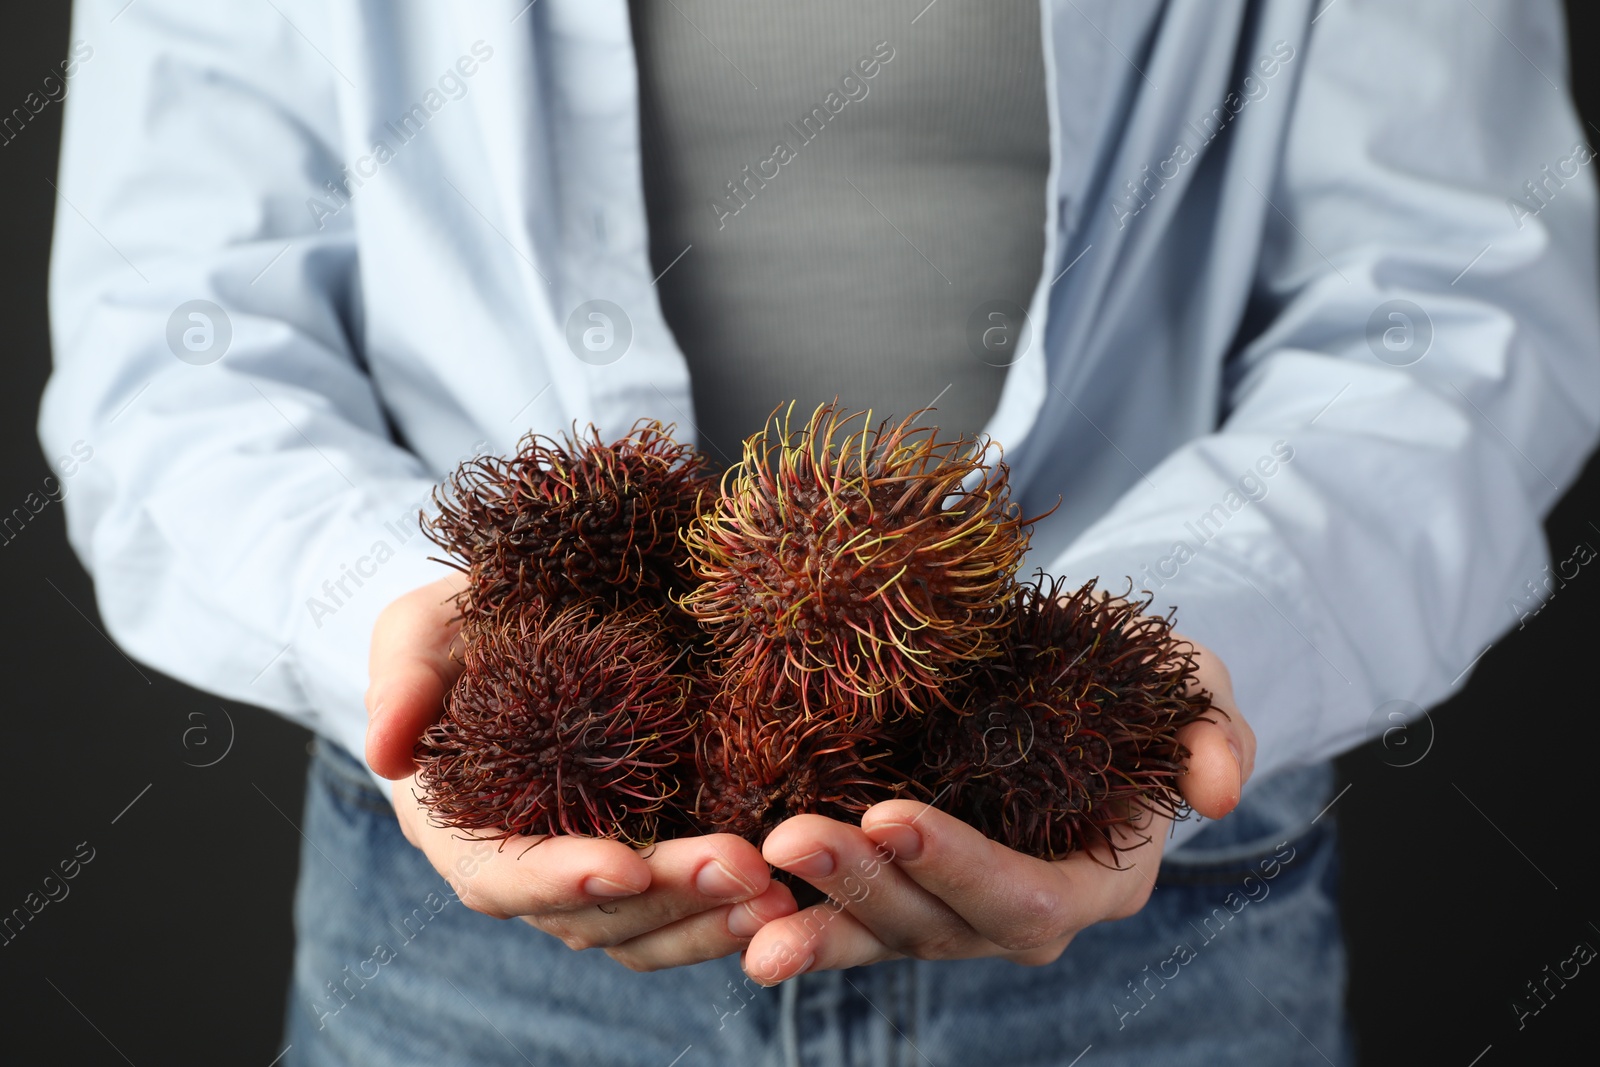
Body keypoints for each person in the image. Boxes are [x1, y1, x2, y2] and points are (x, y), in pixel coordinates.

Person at [39, 1, 1599, 1064]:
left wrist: (1197, 632)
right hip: (473, 946)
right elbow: (172, 328)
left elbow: (1454, 298)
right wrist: (397, 603)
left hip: (1163, 918)